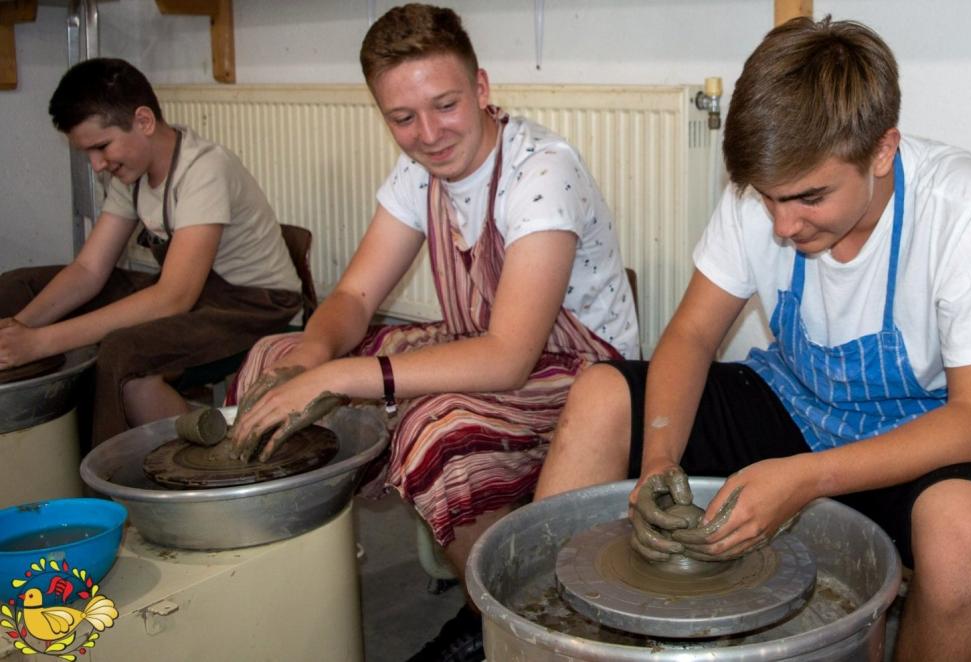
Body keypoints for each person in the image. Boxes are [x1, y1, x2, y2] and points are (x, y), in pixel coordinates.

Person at [535, 15, 971, 661]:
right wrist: (660, 459)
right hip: (799, 403)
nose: (780, 225)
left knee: (965, 536)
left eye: (808, 198)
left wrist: (803, 479)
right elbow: (690, 334)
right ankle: (553, 639)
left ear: (882, 150)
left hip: (931, 433)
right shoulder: (769, 194)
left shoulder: (965, 207)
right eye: (767, 198)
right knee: (602, 396)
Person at [225, 4, 638, 659]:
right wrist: (309, 356)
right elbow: (357, 294)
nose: (428, 133)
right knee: (272, 356)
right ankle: (280, 564)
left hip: (576, 366)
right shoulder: (419, 173)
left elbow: (507, 358)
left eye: (444, 105)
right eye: (402, 117)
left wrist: (339, 377)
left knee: (434, 422)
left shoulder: (541, 172)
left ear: (480, 88)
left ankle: (496, 616)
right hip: (483, 340)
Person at [0, 58, 303, 446]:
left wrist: (40, 344)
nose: (96, 165)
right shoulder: (132, 171)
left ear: (143, 121)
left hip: (254, 306)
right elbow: (89, 270)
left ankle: (184, 464)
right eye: (87, 153)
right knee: (16, 285)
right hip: (193, 293)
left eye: (101, 147)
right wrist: (19, 329)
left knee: (122, 352)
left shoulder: (204, 169)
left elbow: (173, 297)